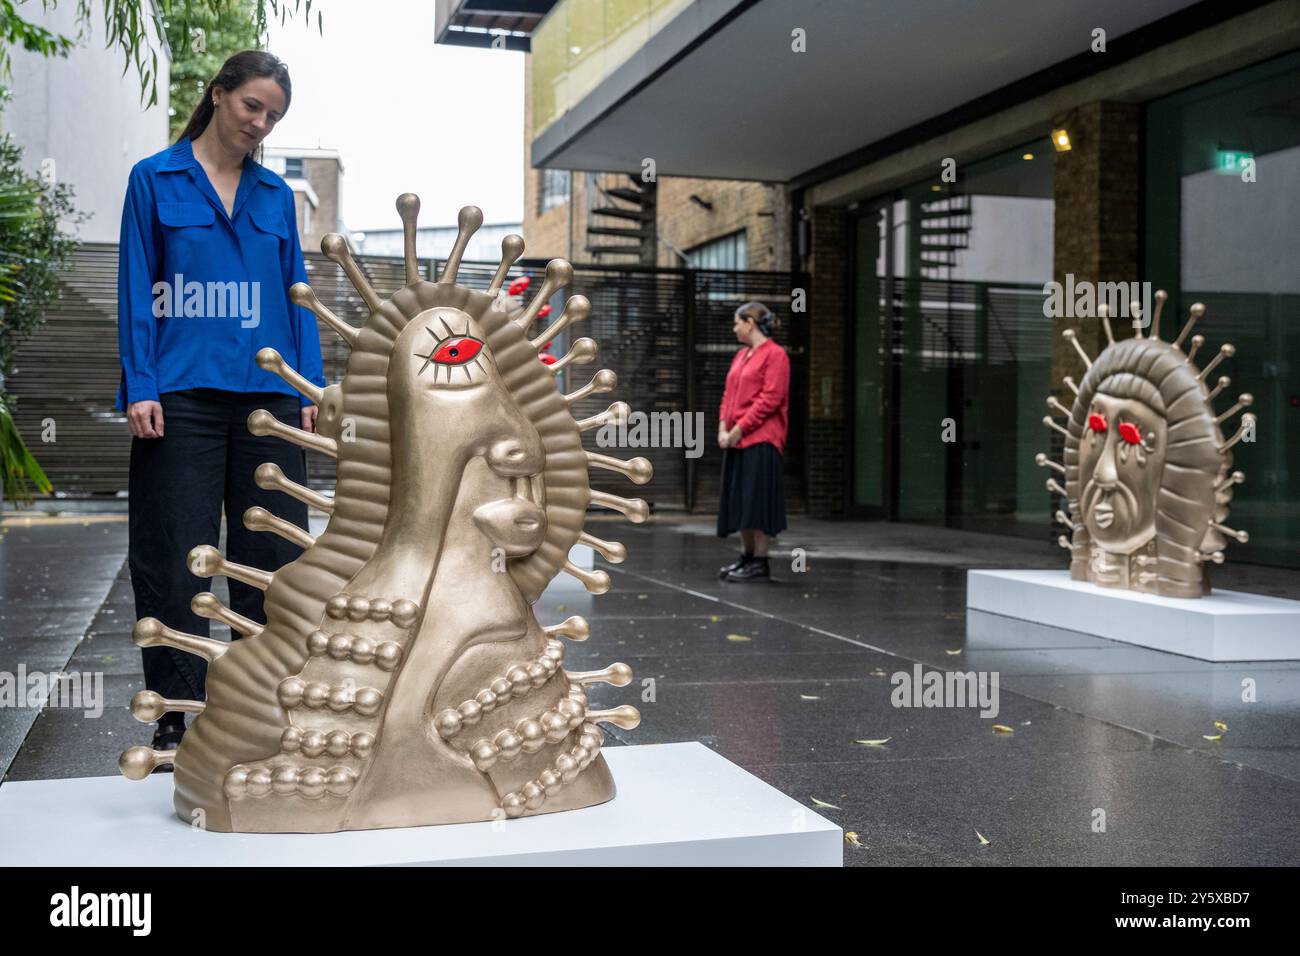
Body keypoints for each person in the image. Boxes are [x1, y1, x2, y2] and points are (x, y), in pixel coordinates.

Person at [115, 51, 325, 766]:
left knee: (272, 558)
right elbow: (136, 286)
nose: (260, 124)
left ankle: (262, 708)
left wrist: (308, 387)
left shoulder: (275, 197)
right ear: (219, 95)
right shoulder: (154, 179)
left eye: (272, 117)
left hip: (268, 394)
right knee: (176, 554)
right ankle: (178, 714)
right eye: (252, 107)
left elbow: (298, 295)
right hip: (182, 395)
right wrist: (140, 382)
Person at [716, 300, 790, 582]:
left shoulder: (776, 355)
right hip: (736, 439)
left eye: (737, 322)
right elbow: (728, 395)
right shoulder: (741, 356)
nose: (734, 328)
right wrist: (724, 427)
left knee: (755, 500)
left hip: (760, 440)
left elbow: (770, 399)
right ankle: (746, 556)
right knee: (739, 499)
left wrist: (738, 430)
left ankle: (760, 559)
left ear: (750, 323)